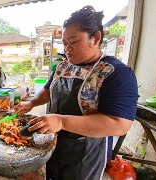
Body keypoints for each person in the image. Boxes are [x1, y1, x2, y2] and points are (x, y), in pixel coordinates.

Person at [14, 6, 138, 180]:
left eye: (73, 42)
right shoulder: (63, 66)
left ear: (95, 38)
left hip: (85, 154)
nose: (67, 48)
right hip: (53, 143)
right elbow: (48, 90)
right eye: (64, 43)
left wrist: (61, 121)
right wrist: (32, 102)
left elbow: (119, 124)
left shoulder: (115, 73)